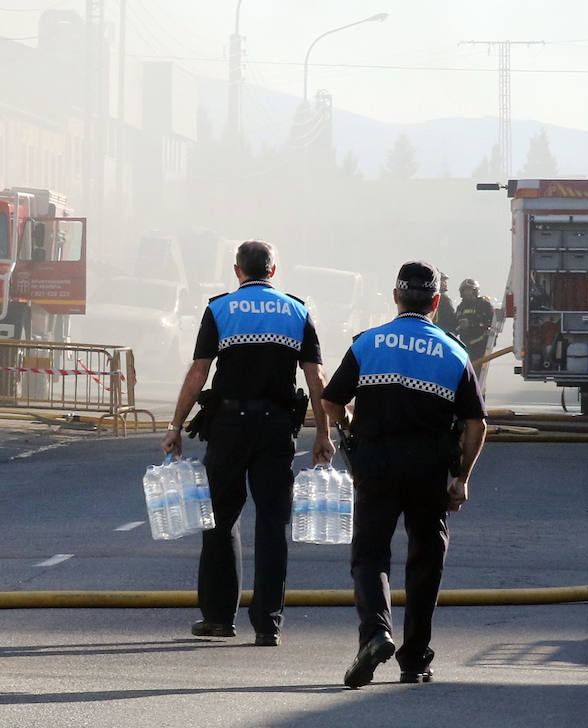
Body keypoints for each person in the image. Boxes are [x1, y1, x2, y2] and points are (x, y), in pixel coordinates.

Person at [321, 260, 487, 688]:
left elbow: (332, 402)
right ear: (436, 302)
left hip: (375, 463)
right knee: (426, 560)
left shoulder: (367, 344)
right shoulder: (453, 351)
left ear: (396, 297)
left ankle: (375, 634)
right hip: (429, 469)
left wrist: (349, 425)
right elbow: (476, 424)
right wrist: (462, 477)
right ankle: (414, 659)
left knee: (371, 554)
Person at [161, 240, 334, 646]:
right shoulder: (297, 310)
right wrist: (323, 434)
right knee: (273, 523)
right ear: (273, 271)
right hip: (276, 428)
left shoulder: (220, 309)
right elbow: (316, 379)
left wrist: (175, 425)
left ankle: (220, 618)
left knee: (221, 519)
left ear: (237, 270)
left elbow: (198, 373)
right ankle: (268, 624)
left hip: (228, 427)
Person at [454, 278, 495, 376]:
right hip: (465, 345)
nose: (467, 293)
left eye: (469, 290)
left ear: (475, 291)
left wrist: (471, 323)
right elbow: (456, 323)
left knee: (478, 373)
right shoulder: (461, 307)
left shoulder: (484, 304)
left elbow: (492, 323)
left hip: (480, 345)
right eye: (465, 290)